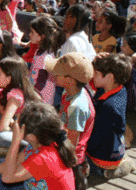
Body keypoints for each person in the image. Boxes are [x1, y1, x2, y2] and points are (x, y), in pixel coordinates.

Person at [0, 102, 76, 190]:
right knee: (0, 167)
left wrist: (15, 141)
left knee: (2, 177)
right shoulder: (40, 142)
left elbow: (7, 178)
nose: (15, 124)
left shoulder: (43, 158)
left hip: (34, 183)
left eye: (19, 125)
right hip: (35, 184)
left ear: (31, 137)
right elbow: (17, 160)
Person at [46, 52, 95, 190]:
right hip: (63, 141)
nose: (54, 73)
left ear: (71, 80)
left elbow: (72, 142)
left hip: (70, 156)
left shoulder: (77, 106)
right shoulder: (69, 92)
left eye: (58, 72)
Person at [85, 53, 136, 180]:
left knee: (78, 159)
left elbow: (98, 138)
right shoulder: (119, 89)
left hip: (104, 155)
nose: (93, 75)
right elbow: (91, 81)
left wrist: (83, 145)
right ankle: (119, 160)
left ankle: (110, 170)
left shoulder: (108, 106)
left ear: (109, 77)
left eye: (96, 73)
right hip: (114, 145)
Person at [0, 57, 42, 156]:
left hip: (31, 140)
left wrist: (7, 123)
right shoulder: (17, 89)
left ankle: (16, 150)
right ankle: (8, 147)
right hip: (21, 126)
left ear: (9, 78)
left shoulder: (15, 95)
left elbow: (2, 127)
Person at [28, 16, 62, 104]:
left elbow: (41, 82)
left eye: (32, 32)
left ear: (42, 36)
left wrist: (29, 92)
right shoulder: (41, 52)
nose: (29, 34)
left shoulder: (45, 57)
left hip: (41, 99)